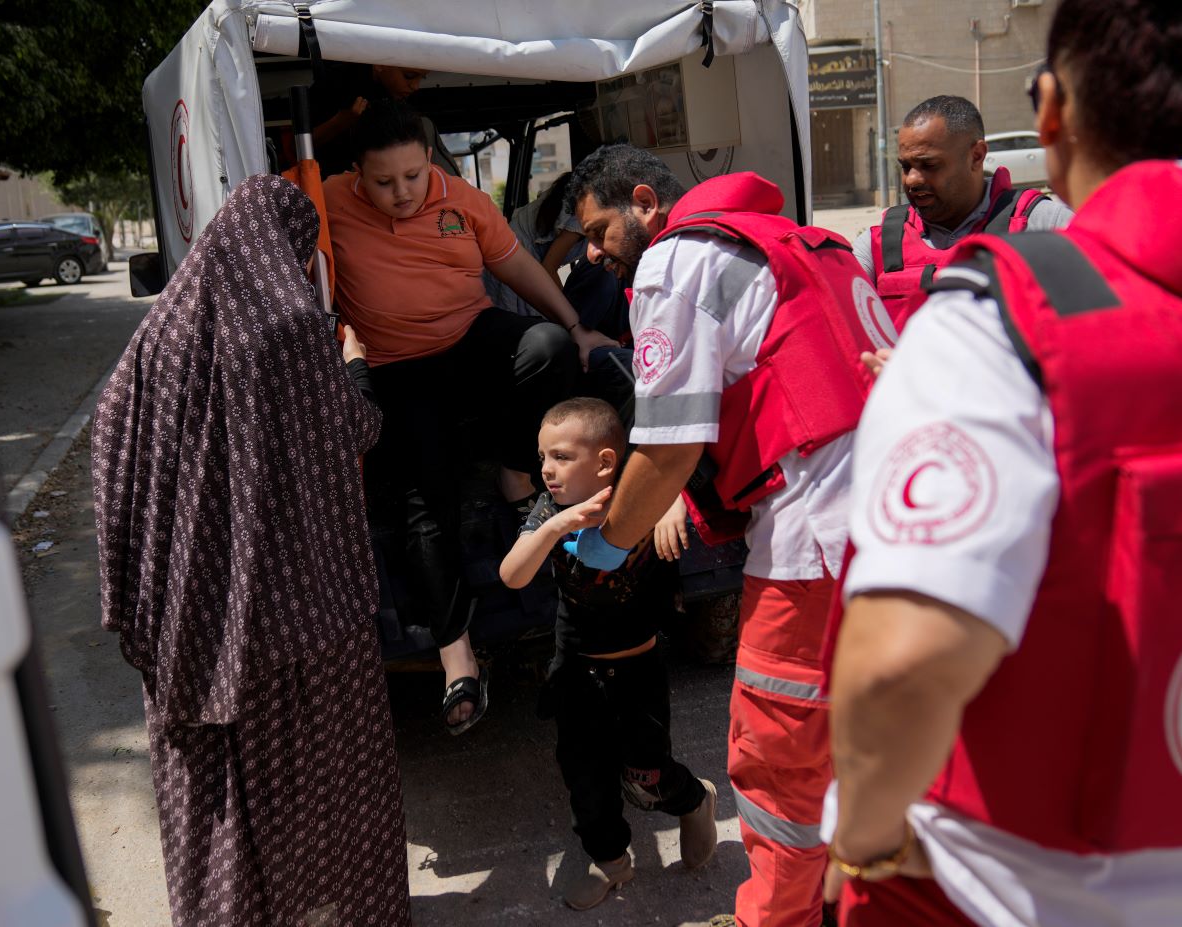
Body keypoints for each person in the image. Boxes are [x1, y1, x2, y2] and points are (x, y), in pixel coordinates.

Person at [826, 2, 1182, 925]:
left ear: (1049, 113)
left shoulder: (999, 320)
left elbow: (900, 668)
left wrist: (864, 838)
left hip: (986, 895)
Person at [563, 145, 888, 927]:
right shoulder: (801, 243)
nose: (595, 253)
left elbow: (670, 446)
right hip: (897, 516)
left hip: (817, 540)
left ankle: (774, 918)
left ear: (645, 202)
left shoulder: (675, 261)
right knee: (866, 742)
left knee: (776, 753)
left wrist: (604, 550)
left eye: (601, 229)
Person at [91, 175, 410, 926]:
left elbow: (112, 442)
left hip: (189, 621)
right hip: (301, 618)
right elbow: (350, 433)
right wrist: (356, 366)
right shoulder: (292, 328)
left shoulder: (162, 332)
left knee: (219, 794)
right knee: (324, 794)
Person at [323, 99, 618, 733]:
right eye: (383, 182)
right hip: (395, 366)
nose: (402, 193)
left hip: (468, 339)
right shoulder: (325, 205)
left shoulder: (459, 199)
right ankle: (457, 655)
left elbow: (515, 268)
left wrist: (577, 325)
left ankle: (517, 472)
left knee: (548, 349)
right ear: (355, 175)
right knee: (425, 500)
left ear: (429, 160)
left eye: (412, 176)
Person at [499, 397, 718, 910]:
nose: (546, 470)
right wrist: (556, 526)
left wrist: (673, 502)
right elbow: (512, 574)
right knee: (586, 779)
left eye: (559, 457)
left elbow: (676, 472)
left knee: (648, 776)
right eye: (542, 458)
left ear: (604, 462)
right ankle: (613, 862)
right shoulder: (550, 509)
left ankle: (694, 799)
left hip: (636, 669)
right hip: (575, 669)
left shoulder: (639, 499)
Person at [853, 95, 1072, 330]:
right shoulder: (877, 245)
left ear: (976, 156)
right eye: (906, 167)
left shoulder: (1046, 225)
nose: (912, 180)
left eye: (929, 165)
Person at [308, 61, 462, 177]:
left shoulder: (396, 94)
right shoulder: (336, 83)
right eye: (409, 76)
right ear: (379, 64)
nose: (415, 86)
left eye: (421, 78)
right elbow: (298, 148)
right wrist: (340, 122)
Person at [486, 173, 588, 317]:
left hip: (506, 252)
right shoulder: (581, 215)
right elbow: (549, 267)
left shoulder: (567, 192)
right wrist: (569, 311)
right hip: (519, 260)